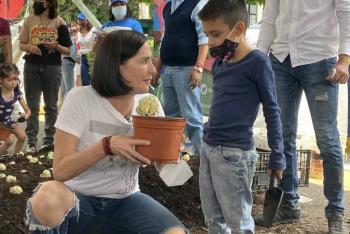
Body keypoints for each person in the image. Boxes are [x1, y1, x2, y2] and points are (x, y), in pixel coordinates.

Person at [25, 30, 187, 234]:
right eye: (144, 61)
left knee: (175, 233)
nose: (154, 70)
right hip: (78, 202)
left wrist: (171, 154)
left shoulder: (150, 105)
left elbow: (173, 177)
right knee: (48, 198)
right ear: (117, 65)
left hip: (126, 201)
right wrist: (106, 146)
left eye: (151, 61)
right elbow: (60, 171)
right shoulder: (80, 99)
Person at [255, 0, 350, 233]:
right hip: (280, 59)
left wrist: (345, 58)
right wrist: (257, 57)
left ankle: (335, 212)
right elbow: (269, 16)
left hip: (319, 59)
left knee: (327, 138)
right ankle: (289, 205)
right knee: (281, 134)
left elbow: (345, 10)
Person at [197, 0, 286, 233]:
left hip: (234, 153)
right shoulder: (220, 63)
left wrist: (278, 155)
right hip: (209, 147)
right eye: (207, 34)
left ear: (238, 29)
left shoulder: (258, 63)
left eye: (215, 34)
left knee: (239, 223)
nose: (210, 42)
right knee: (213, 219)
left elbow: (272, 110)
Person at [151, 0, 209, 156]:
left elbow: (204, 39)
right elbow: (165, 39)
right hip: (168, 69)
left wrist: (198, 67)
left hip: (187, 69)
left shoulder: (197, 4)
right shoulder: (169, 7)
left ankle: (202, 159)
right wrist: (157, 69)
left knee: (192, 118)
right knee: (170, 118)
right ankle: (172, 156)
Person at [18, 0, 71, 154]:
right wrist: (30, 47)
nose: (40, 2)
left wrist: (56, 46)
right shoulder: (29, 19)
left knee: (51, 106)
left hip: (52, 68)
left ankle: (48, 141)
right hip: (31, 67)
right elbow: (21, 44)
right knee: (33, 106)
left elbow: (67, 50)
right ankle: (32, 142)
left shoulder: (60, 22)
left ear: (51, 3)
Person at [0, 63, 30, 156]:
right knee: (10, 140)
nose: (13, 83)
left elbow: (28, 110)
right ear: (1, 80)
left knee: (22, 136)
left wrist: (25, 116)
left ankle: (15, 157)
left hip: (7, 121)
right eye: (9, 80)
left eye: (15, 79)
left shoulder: (16, 92)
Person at [61, 23, 80, 100]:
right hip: (67, 63)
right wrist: (81, 61)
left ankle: (62, 109)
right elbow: (72, 53)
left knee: (64, 88)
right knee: (69, 88)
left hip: (65, 63)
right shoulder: (71, 39)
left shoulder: (68, 38)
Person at [76, 12, 94, 86]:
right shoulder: (79, 31)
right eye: (79, 20)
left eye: (82, 20)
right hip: (83, 58)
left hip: (92, 57)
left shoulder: (93, 30)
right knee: (85, 81)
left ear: (87, 20)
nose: (80, 21)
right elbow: (78, 44)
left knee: (93, 81)